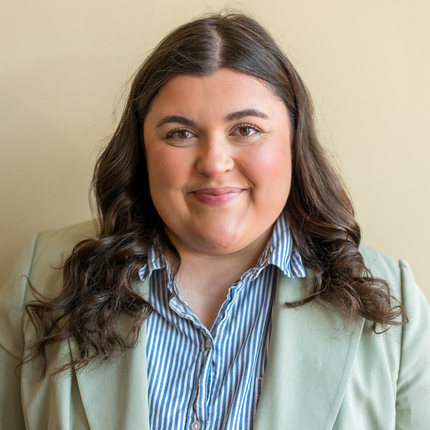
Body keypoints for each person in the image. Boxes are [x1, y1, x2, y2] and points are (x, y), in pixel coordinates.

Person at [1, 12, 429, 430]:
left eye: (245, 129)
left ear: (294, 144)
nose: (214, 163)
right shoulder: (41, 274)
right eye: (180, 133)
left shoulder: (395, 301)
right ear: (141, 151)